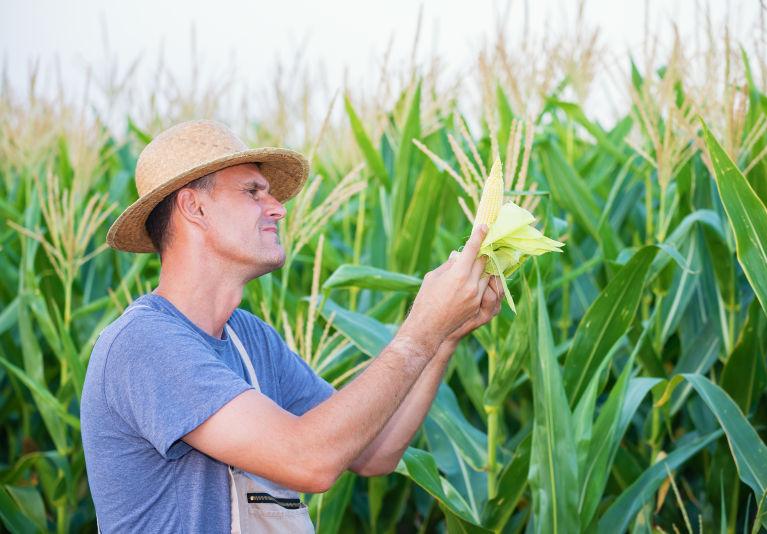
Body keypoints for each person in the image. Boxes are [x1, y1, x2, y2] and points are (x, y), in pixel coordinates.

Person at [80, 119, 503, 533]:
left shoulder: (251, 338)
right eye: (253, 192)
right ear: (195, 207)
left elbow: (375, 452)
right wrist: (422, 328)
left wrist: (443, 337)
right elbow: (309, 461)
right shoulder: (144, 344)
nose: (278, 209)